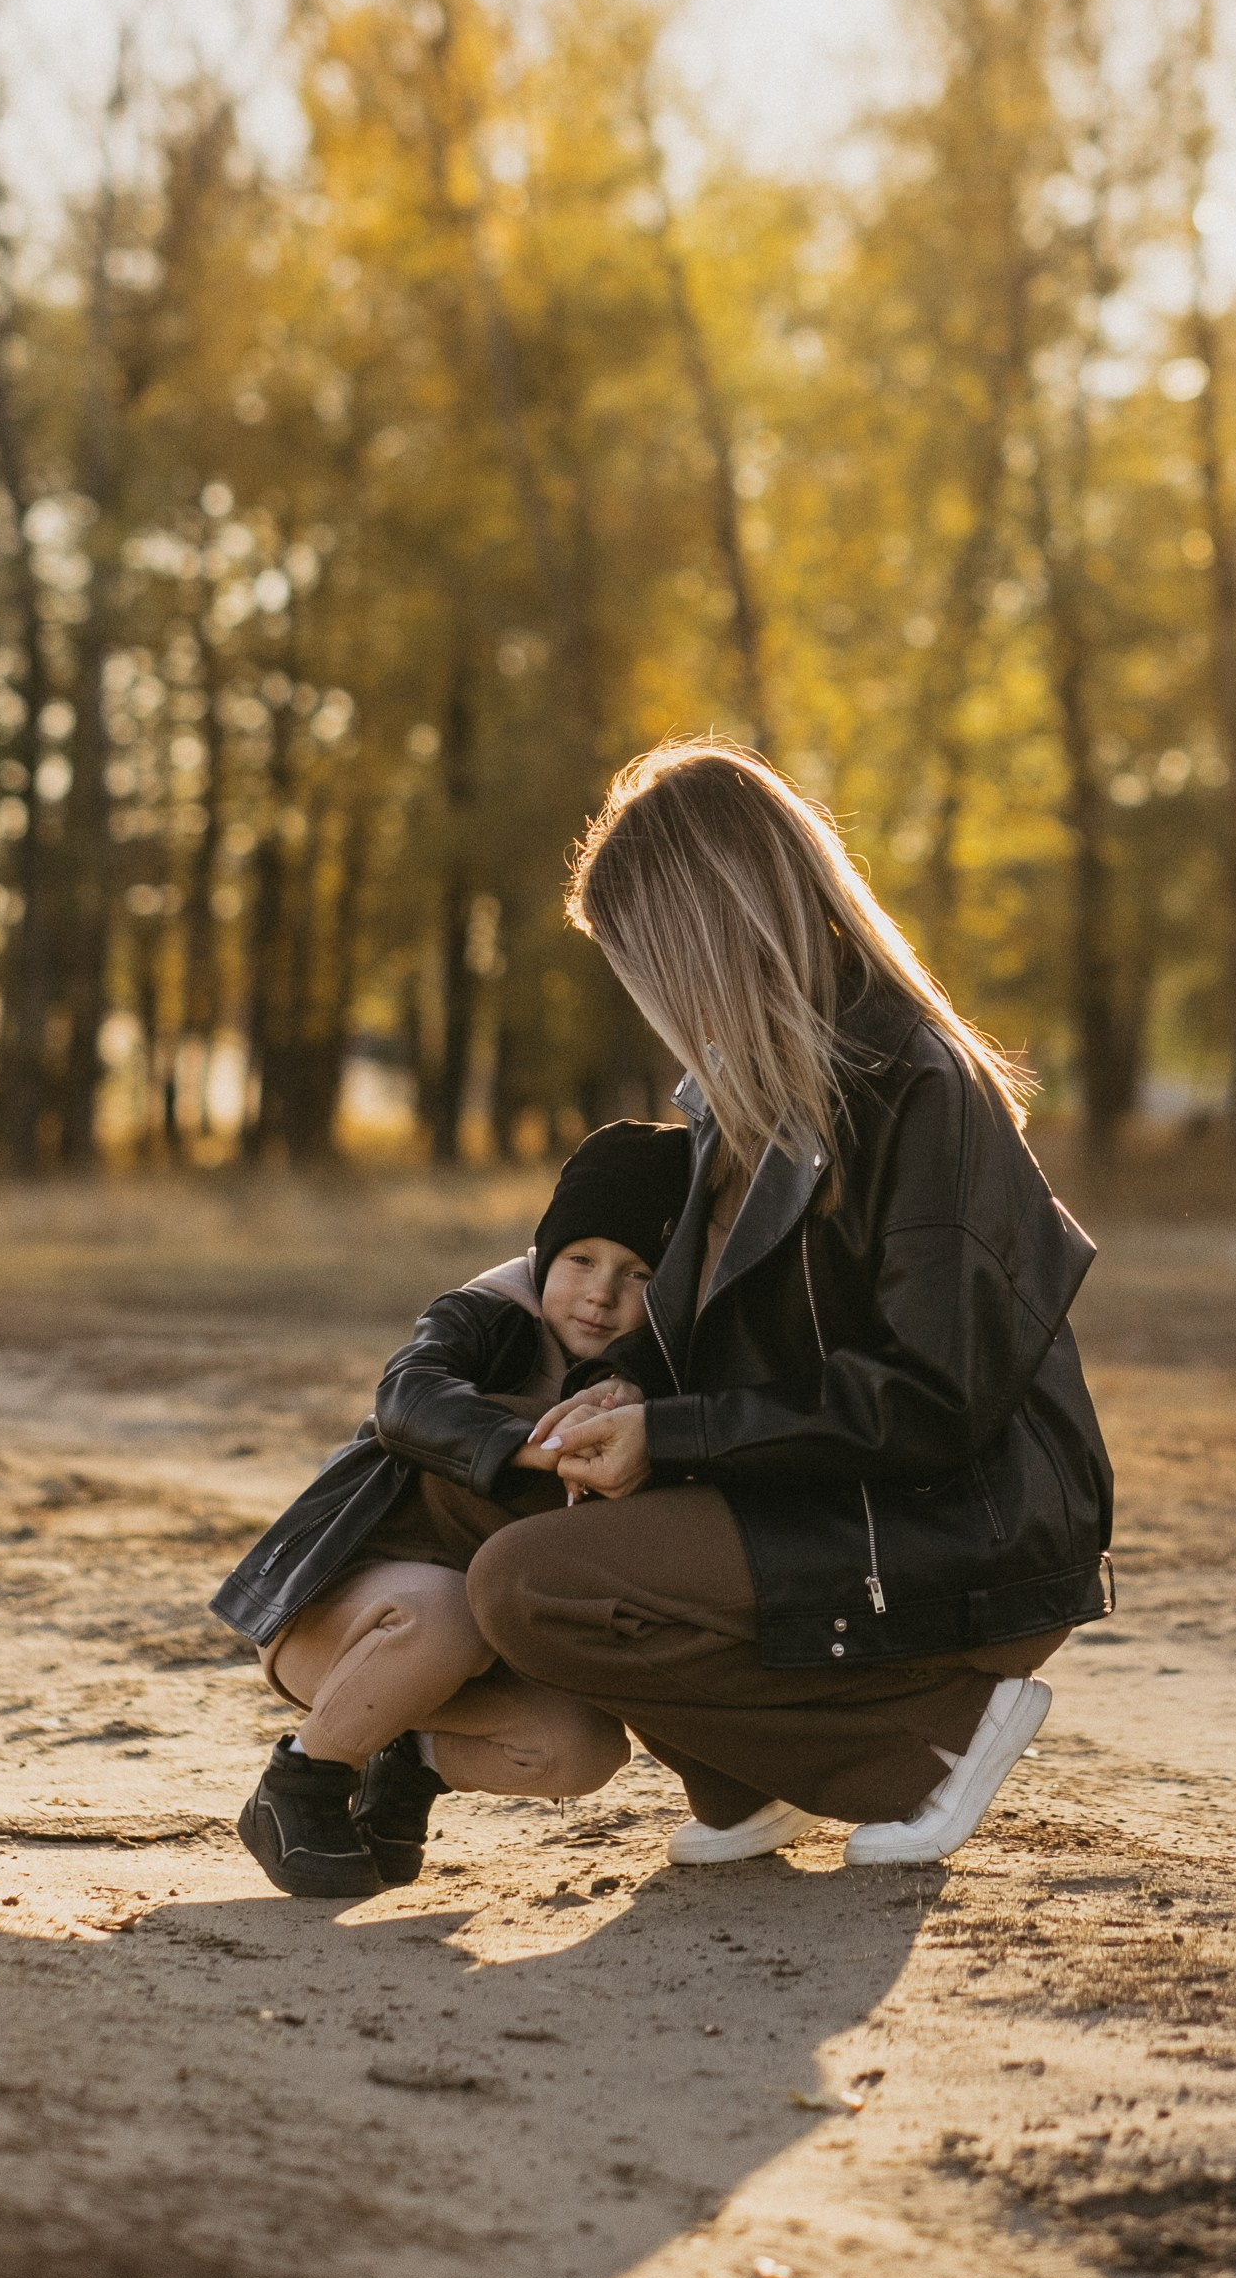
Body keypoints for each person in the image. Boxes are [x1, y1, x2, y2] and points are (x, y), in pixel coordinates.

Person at [463, 738, 1116, 1868]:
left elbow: (932, 1398)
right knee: (509, 1516)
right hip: (829, 1503)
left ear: (705, 937)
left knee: (527, 1584)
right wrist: (635, 1393)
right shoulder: (733, 1108)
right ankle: (755, 1780)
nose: (649, 1000)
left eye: (646, 963)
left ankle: (925, 1743)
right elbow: (748, 1346)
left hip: (957, 1525)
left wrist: (669, 1434)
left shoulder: (918, 1084)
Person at [215, 1122, 685, 1899]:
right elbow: (406, 1399)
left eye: (638, 1273)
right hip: (345, 1616)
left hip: (467, 1639)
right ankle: (299, 1782)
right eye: (580, 1260)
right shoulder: (488, 1312)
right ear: (546, 1256)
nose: (600, 1292)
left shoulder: (654, 1376)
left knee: (577, 1749)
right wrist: (530, 1447)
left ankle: (408, 1762)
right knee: (446, 1613)